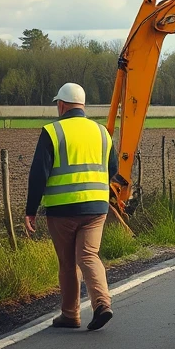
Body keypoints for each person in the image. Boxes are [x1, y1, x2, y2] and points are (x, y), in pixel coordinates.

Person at [25, 83, 117, 331]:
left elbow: (38, 174)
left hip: (62, 209)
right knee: (88, 255)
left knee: (68, 262)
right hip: (96, 208)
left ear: (62, 105)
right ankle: (102, 304)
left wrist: (30, 210)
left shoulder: (53, 132)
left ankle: (70, 314)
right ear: (82, 105)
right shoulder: (101, 132)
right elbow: (114, 168)